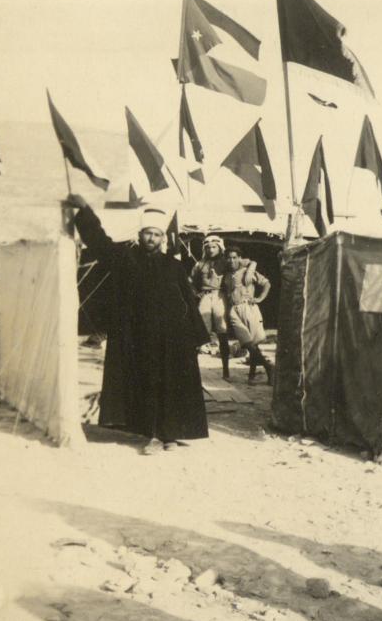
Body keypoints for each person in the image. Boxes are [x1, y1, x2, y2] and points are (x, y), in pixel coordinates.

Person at [65, 194, 209, 455]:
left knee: (172, 386)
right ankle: (153, 435)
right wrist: (85, 211)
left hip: (173, 338)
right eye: (147, 234)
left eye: (156, 234)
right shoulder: (125, 259)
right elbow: (100, 243)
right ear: (140, 235)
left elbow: (187, 300)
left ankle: (171, 435)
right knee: (148, 385)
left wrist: (196, 337)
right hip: (140, 337)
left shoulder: (174, 266)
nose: (151, 239)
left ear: (163, 238)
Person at [189, 235, 256, 380]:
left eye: (214, 247)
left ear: (219, 247)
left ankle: (226, 371)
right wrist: (196, 293)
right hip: (206, 296)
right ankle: (191, 372)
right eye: (207, 247)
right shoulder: (200, 264)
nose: (210, 249)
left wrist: (250, 271)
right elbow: (190, 281)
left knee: (222, 332)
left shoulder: (226, 261)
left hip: (220, 296)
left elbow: (250, 262)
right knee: (200, 331)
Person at [221, 247, 274, 386]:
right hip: (234, 310)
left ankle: (253, 375)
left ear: (239, 258)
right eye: (229, 258)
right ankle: (268, 366)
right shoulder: (226, 275)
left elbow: (266, 283)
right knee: (247, 343)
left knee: (253, 344)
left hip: (248, 308)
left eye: (234, 257)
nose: (231, 260)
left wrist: (260, 298)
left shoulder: (247, 271)